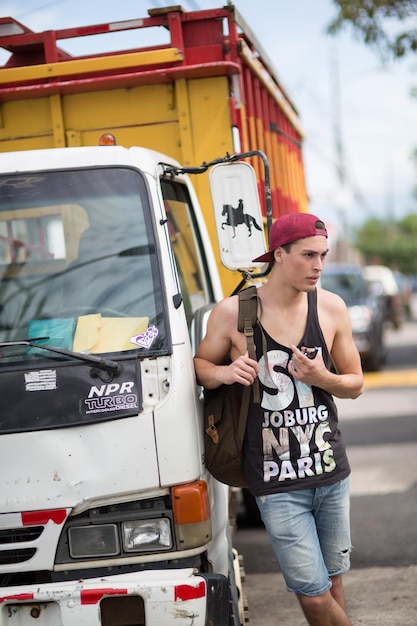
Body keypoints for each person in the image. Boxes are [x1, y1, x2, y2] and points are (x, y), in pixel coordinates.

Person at [194, 212, 364, 626]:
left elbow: (355, 383)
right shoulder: (234, 312)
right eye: (308, 255)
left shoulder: (330, 308)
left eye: (322, 255)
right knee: (313, 595)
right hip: (275, 482)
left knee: (333, 585)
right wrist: (224, 373)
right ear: (279, 255)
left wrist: (322, 377)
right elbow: (200, 364)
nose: (318, 265)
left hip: (330, 472)